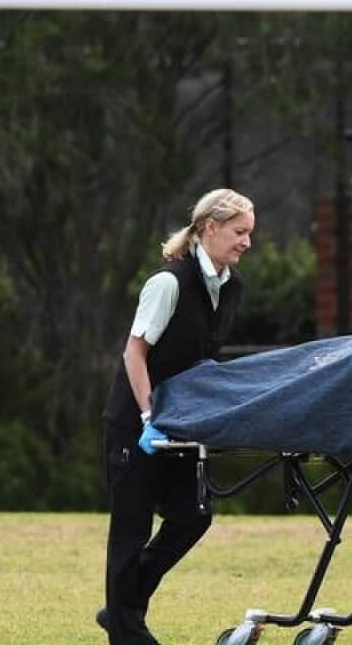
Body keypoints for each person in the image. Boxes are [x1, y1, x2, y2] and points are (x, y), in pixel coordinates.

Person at [99, 188, 255, 645]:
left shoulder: (230, 288)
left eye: (250, 233)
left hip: (180, 428)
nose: (247, 242)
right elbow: (134, 353)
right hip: (137, 426)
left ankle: (121, 605)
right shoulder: (168, 283)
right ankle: (128, 634)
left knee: (193, 515)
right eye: (239, 231)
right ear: (210, 227)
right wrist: (149, 416)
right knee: (130, 529)